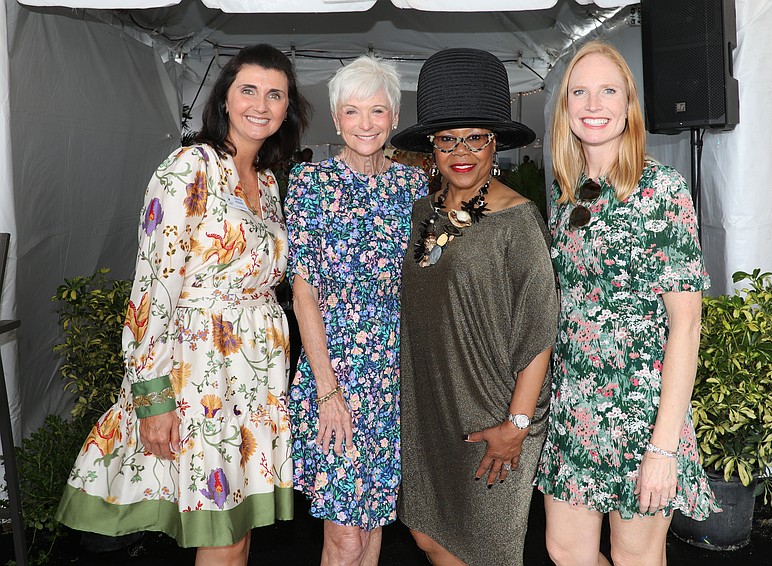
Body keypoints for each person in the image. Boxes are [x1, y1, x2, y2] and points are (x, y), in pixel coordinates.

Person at [56, 44, 312, 565]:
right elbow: (153, 284)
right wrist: (153, 397)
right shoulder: (190, 166)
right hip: (200, 376)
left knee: (239, 530)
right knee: (217, 531)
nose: (260, 104)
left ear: (288, 108)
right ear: (224, 98)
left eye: (275, 94)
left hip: (256, 379)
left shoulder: (266, 180)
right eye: (248, 90)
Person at [535, 40, 720, 566]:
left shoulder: (661, 189)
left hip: (639, 413)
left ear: (628, 105)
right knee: (564, 550)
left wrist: (662, 450)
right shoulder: (569, 192)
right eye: (581, 92)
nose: (594, 104)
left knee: (636, 557)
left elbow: (685, 328)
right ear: (566, 107)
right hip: (576, 407)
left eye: (608, 91)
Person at [390, 48, 559, 566]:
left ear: (495, 145)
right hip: (432, 410)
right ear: (431, 149)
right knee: (428, 533)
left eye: (475, 138)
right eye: (447, 139)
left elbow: (540, 331)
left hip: (493, 412)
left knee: (484, 546)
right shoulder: (425, 211)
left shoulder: (518, 220)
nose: (461, 151)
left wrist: (517, 424)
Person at [285, 56, 428, 565]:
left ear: (393, 117)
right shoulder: (310, 184)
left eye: (376, 111)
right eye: (352, 111)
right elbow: (304, 292)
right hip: (337, 372)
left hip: (395, 376)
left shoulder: (415, 190)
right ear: (336, 117)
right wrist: (327, 390)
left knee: (371, 528)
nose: (365, 124)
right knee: (345, 536)